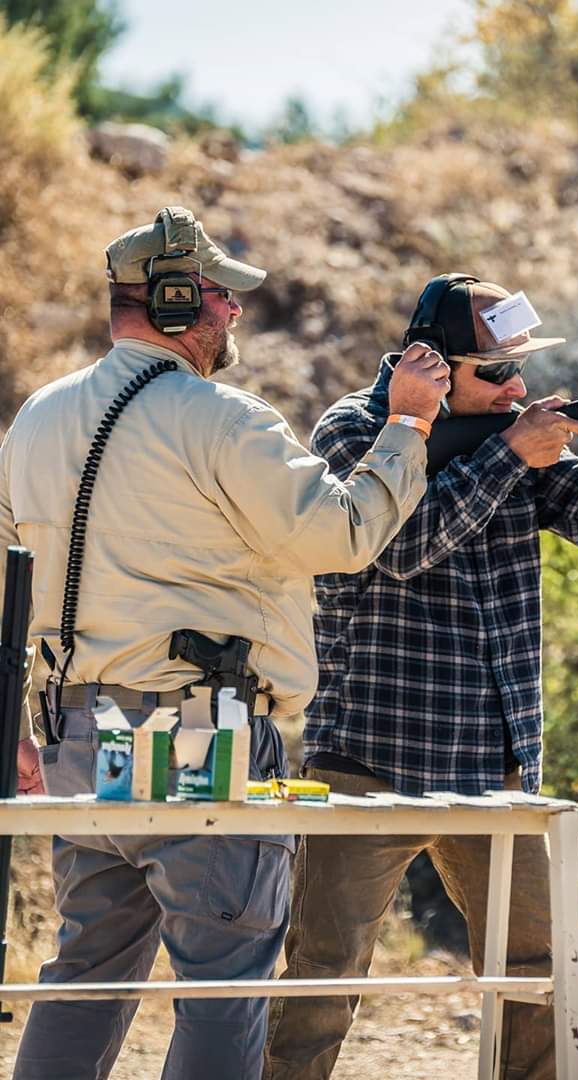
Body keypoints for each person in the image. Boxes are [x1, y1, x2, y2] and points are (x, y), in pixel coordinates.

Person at [264, 274, 578, 1080]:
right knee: (321, 981)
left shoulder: (509, 434)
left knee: (538, 978)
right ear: (428, 364)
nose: (517, 388)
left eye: (518, 370)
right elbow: (398, 547)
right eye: (496, 372)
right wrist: (506, 454)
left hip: (495, 765)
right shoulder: (359, 430)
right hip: (369, 757)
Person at [0, 206, 450, 1080]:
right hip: (201, 741)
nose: (233, 312)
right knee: (225, 981)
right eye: (218, 296)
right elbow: (342, 536)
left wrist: (17, 723)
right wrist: (408, 426)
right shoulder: (224, 417)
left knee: (84, 977)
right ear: (174, 300)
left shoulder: (35, 420)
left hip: (75, 741)